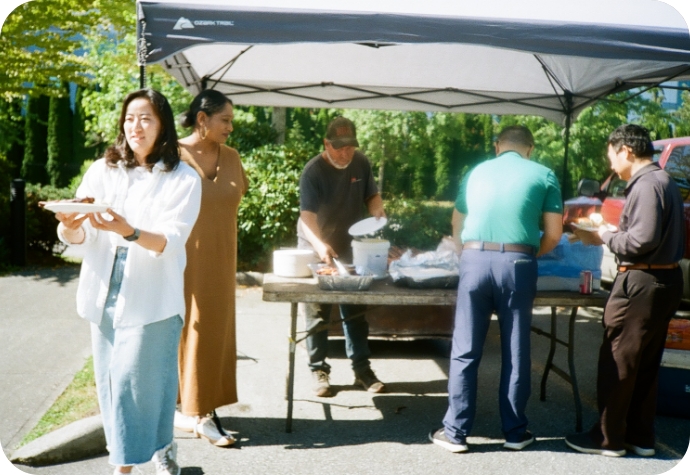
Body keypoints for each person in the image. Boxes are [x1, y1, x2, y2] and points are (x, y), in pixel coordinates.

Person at [55, 89, 202, 475]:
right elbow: (81, 237)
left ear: (163, 126)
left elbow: (171, 240)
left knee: (140, 383)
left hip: (152, 292)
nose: (136, 126)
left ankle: (133, 461)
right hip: (104, 287)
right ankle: (148, 451)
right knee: (111, 382)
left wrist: (130, 231)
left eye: (146, 118)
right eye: (130, 117)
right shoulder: (102, 171)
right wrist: (68, 226)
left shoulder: (183, 178)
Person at [430, 125, 563, 453]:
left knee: (465, 348)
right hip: (517, 264)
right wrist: (528, 252)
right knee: (516, 349)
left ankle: (455, 433)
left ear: (496, 146)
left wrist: (468, 255)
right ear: (529, 148)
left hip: (474, 259)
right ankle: (516, 433)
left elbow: (457, 220)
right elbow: (554, 233)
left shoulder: (476, 172)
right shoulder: (544, 174)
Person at [566, 124, 684, 457]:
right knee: (643, 363)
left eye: (611, 155)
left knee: (619, 359)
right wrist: (614, 231)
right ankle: (640, 437)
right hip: (663, 280)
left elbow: (641, 241)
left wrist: (601, 236)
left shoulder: (647, 185)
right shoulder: (663, 181)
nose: (611, 164)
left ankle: (607, 438)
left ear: (626, 151)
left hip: (641, 282)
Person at [173, 89, 249, 447]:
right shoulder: (171, 155)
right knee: (186, 332)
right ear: (202, 119)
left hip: (220, 262)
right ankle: (198, 413)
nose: (231, 127)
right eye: (226, 119)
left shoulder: (232, 158)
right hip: (178, 261)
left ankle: (198, 409)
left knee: (214, 334)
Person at [297, 116, 386, 397]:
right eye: (339, 148)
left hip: (350, 248)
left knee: (355, 311)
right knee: (317, 313)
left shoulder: (360, 162)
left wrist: (377, 211)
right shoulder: (312, 172)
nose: (346, 153)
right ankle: (318, 370)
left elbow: (371, 194)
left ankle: (362, 370)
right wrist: (321, 245)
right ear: (326, 143)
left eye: (350, 147)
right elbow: (306, 217)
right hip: (315, 245)